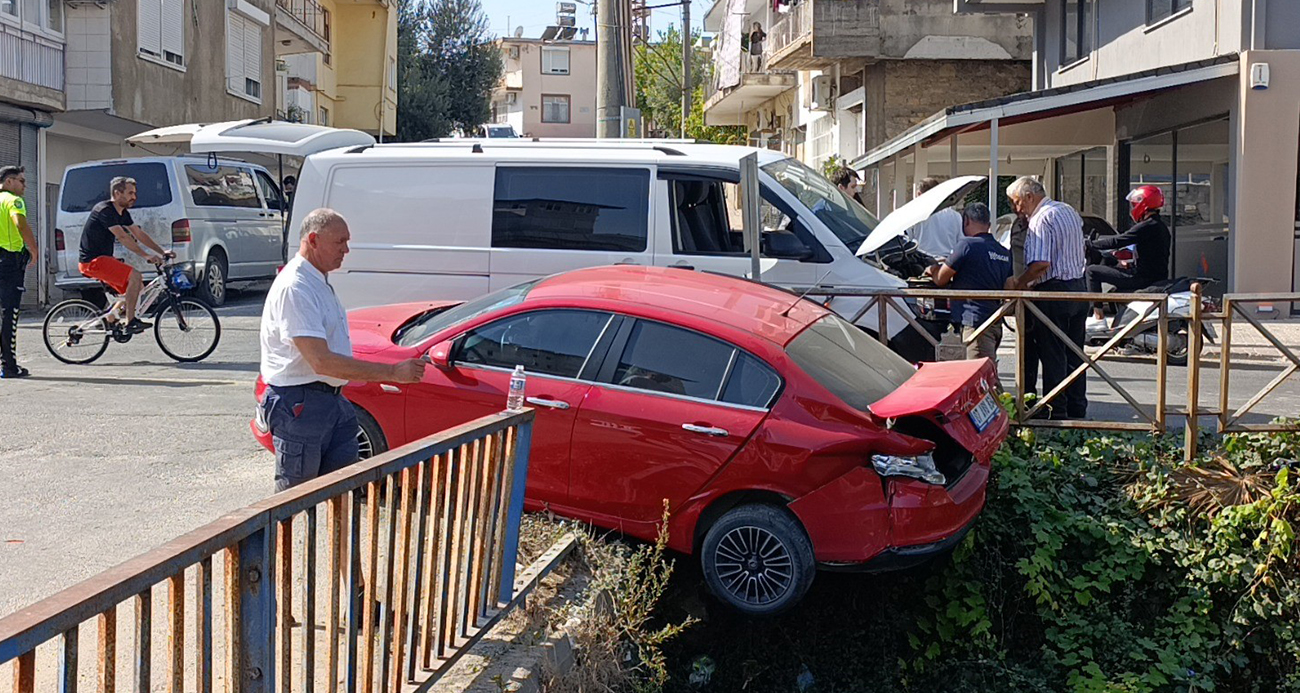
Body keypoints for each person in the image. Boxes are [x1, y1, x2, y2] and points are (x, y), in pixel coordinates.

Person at [259, 208, 426, 492]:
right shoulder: (296, 286)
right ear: (313, 239)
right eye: (340, 242)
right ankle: (267, 539)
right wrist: (393, 373)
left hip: (328, 401)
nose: (346, 249)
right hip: (300, 403)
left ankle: (328, 536)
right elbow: (321, 361)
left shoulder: (315, 279)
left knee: (342, 492)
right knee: (291, 500)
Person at [1004, 176, 1088, 419]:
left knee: (1052, 353)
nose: (1017, 209)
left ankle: (1055, 409)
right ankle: (1076, 405)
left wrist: (1019, 283)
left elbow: (1041, 262)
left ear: (1030, 197)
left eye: (1018, 202)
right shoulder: (1067, 210)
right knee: (1075, 352)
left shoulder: (1040, 218)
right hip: (1079, 288)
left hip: (1054, 292)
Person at [78, 176, 173, 334]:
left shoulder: (122, 213)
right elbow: (123, 237)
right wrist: (145, 255)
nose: (134, 197)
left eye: (134, 193)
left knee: (137, 287)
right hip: (92, 261)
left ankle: (108, 320)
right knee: (135, 276)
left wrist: (162, 252)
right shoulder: (104, 210)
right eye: (130, 193)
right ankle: (130, 322)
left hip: (104, 260)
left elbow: (139, 234)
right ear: (117, 193)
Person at [926, 203, 1011, 360]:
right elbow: (1008, 285)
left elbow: (940, 280)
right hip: (994, 322)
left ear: (966, 221)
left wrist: (932, 269)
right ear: (989, 225)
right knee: (985, 371)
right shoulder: (1003, 252)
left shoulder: (966, 245)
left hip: (974, 322)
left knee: (980, 376)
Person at [1085, 184, 1171, 323]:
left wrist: (1090, 244)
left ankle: (1098, 318)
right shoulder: (1158, 225)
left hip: (1143, 278)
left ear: (1143, 204)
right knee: (1118, 288)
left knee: (1092, 271)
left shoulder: (1147, 226)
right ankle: (1125, 324)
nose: (1132, 208)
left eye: (1134, 204)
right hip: (1152, 275)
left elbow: (1119, 240)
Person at [0, 166, 36, 379]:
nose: (25, 186)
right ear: (10, 181)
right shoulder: (13, 200)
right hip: (10, 262)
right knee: (9, 312)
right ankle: (9, 366)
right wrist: (34, 249)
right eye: (22, 181)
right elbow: (20, 223)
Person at [906, 177, 963, 259]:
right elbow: (960, 242)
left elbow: (908, 243)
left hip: (923, 263)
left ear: (919, 194)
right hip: (948, 264)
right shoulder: (954, 215)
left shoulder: (912, 216)